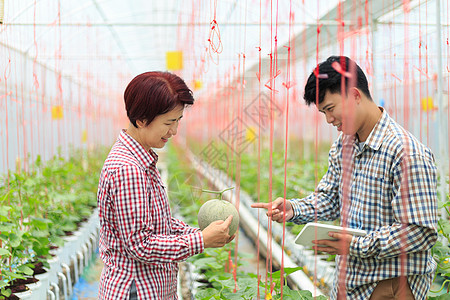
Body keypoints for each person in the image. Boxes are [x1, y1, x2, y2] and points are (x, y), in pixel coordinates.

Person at [251, 56, 438, 300]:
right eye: (323, 112)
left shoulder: (405, 153)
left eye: (330, 109)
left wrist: (356, 245)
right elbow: (330, 199)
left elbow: (420, 231)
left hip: (389, 285)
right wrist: (293, 209)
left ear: (355, 96)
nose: (329, 119)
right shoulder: (344, 144)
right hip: (351, 281)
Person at [97, 71, 235, 299]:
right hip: (137, 291)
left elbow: (156, 222)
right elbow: (140, 244)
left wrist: (201, 234)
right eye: (168, 122)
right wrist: (200, 240)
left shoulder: (141, 159)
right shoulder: (129, 169)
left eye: (178, 120)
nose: (174, 131)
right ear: (141, 120)